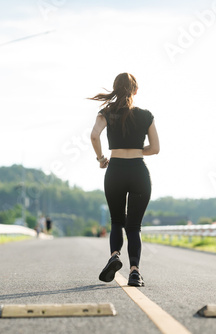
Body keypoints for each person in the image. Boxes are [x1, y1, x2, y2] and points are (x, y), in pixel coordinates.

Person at [89, 73, 160, 287]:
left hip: (115, 171)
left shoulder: (106, 113)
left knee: (117, 222)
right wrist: (138, 150)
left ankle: (114, 256)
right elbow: (155, 149)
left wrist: (102, 158)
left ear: (115, 88)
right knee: (134, 226)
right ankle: (135, 272)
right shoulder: (146, 115)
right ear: (135, 91)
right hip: (139, 172)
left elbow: (94, 136)